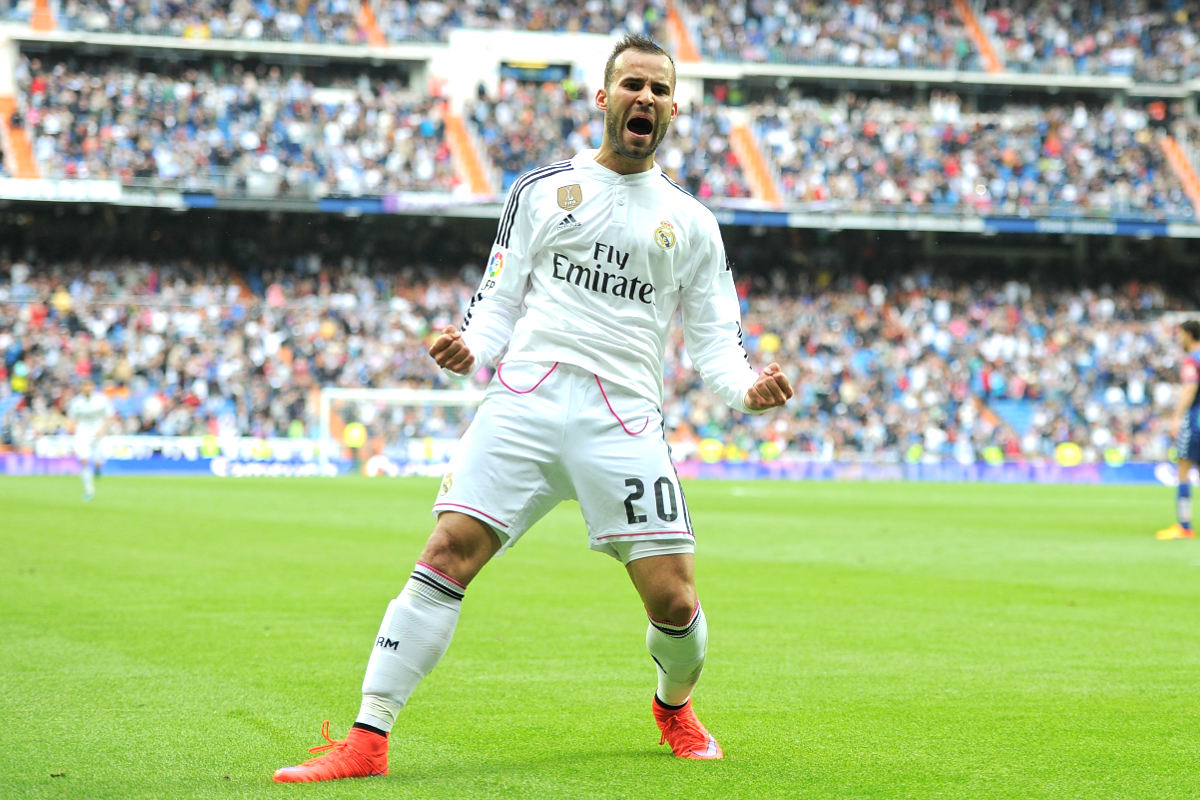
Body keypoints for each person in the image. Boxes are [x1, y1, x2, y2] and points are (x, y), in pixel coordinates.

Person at [272, 33, 794, 783]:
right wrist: (469, 347)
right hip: (526, 398)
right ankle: (368, 739)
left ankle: (672, 706)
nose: (644, 98)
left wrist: (749, 390)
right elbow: (497, 302)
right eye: (631, 85)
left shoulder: (695, 224)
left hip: (623, 420)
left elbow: (716, 347)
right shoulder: (541, 190)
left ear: (674, 107)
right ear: (603, 98)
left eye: (658, 89)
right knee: (445, 553)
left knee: (675, 602)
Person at [1157, 319, 1200, 540]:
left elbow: (1190, 389)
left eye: (1181, 334)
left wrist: (1176, 417)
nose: (1178, 339)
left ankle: (1184, 526)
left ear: (1189, 335)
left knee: (1183, 468)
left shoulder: (1192, 360)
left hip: (1196, 424)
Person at [66, 378, 116, 501]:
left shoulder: (101, 400)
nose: (87, 388)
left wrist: (103, 430)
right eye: (85, 386)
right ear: (82, 388)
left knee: (98, 459)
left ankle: (98, 469)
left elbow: (109, 416)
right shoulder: (76, 402)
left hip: (98, 432)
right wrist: (71, 429)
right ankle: (89, 491)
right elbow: (71, 419)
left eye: (89, 386)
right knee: (84, 460)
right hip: (82, 432)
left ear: (93, 387)